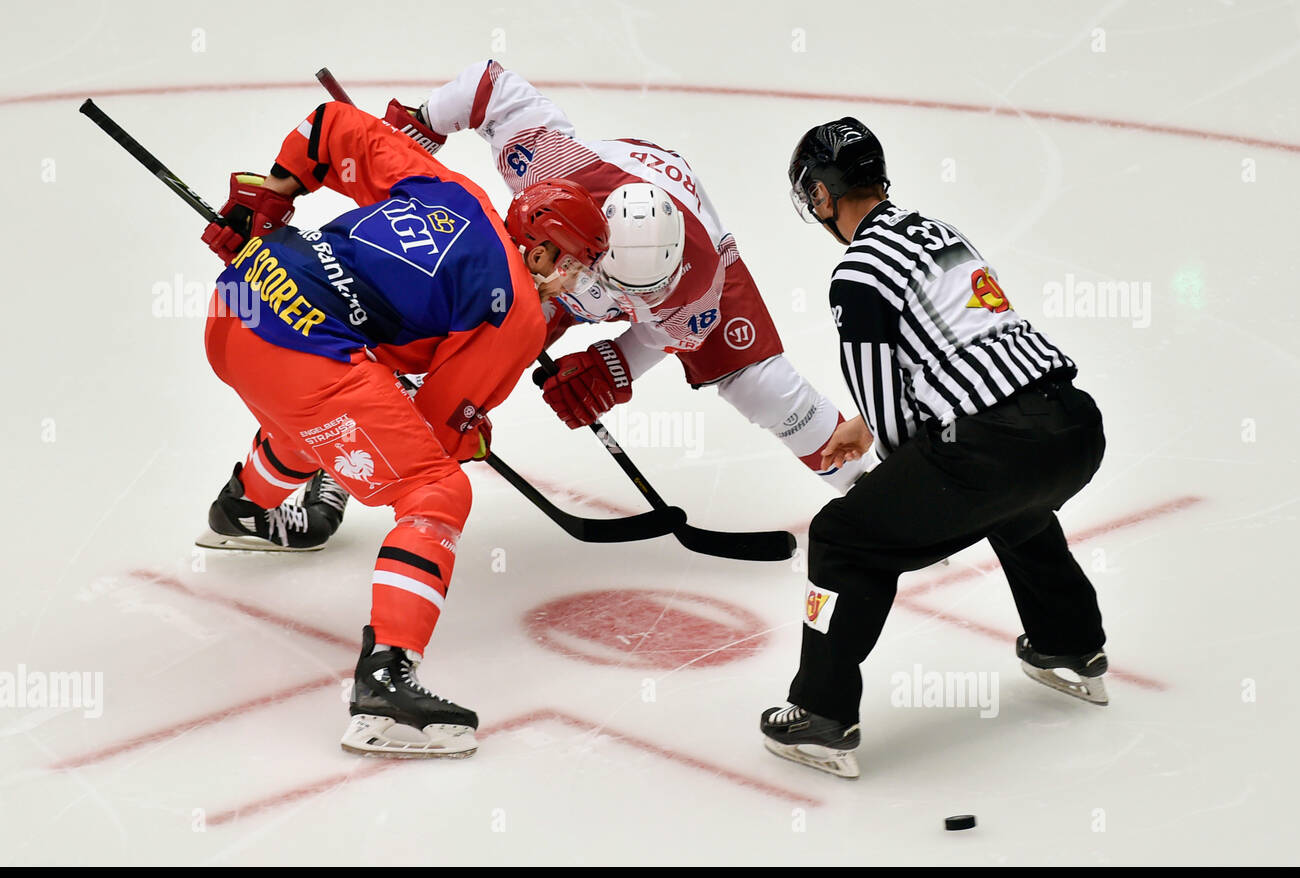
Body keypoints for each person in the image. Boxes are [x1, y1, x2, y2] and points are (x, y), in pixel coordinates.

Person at [199, 99, 609, 757]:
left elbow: (330, 125)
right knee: (436, 491)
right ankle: (385, 687)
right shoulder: (521, 315)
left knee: (333, 422)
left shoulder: (460, 192)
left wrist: (272, 197)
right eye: (574, 263)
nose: (576, 282)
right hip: (303, 355)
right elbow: (434, 429)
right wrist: (467, 436)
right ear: (539, 252)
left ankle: (245, 507)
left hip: (241, 296)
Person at [760, 118, 1109, 779]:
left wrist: (889, 498)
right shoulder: (939, 233)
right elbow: (968, 341)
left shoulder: (857, 273)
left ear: (823, 195)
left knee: (842, 538)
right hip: (1070, 427)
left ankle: (823, 717)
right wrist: (869, 422)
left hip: (990, 445)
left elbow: (896, 429)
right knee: (1012, 502)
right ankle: (1070, 645)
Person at [396, 60, 869, 491]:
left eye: (647, 292)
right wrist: (422, 123)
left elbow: (660, 331)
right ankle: (359, 424)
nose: (629, 302)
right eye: (619, 286)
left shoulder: (698, 288)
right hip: (554, 253)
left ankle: (865, 490)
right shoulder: (551, 165)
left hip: (613, 264)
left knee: (762, 387)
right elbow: (489, 86)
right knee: (440, 316)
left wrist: (611, 366)